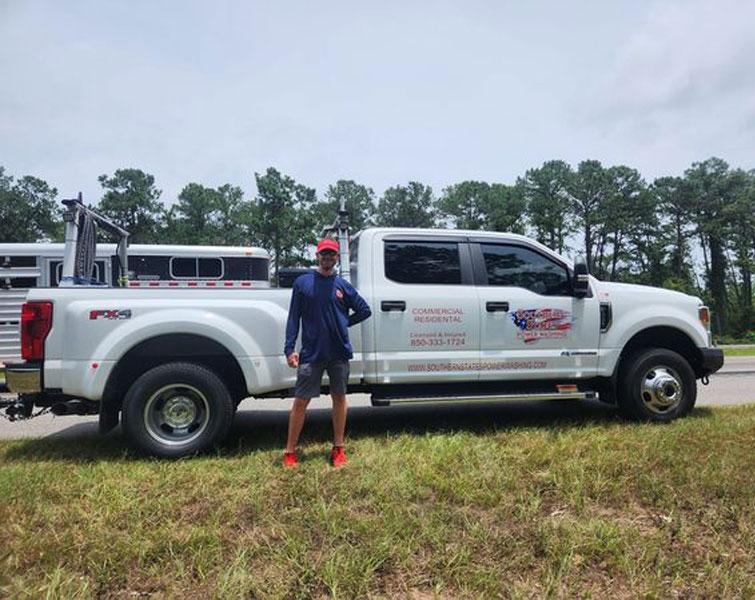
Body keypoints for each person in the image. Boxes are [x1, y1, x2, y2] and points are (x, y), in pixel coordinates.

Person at [283, 238, 371, 467]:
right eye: (324, 254)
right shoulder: (303, 283)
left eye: (331, 254)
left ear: (337, 258)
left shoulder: (343, 286)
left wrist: (344, 323)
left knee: (339, 399)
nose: (327, 258)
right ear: (317, 256)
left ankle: (339, 448)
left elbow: (364, 310)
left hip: (338, 352)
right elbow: (294, 317)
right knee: (301, 401)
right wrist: (289, 348)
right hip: (311, 353)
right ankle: (290, 451)